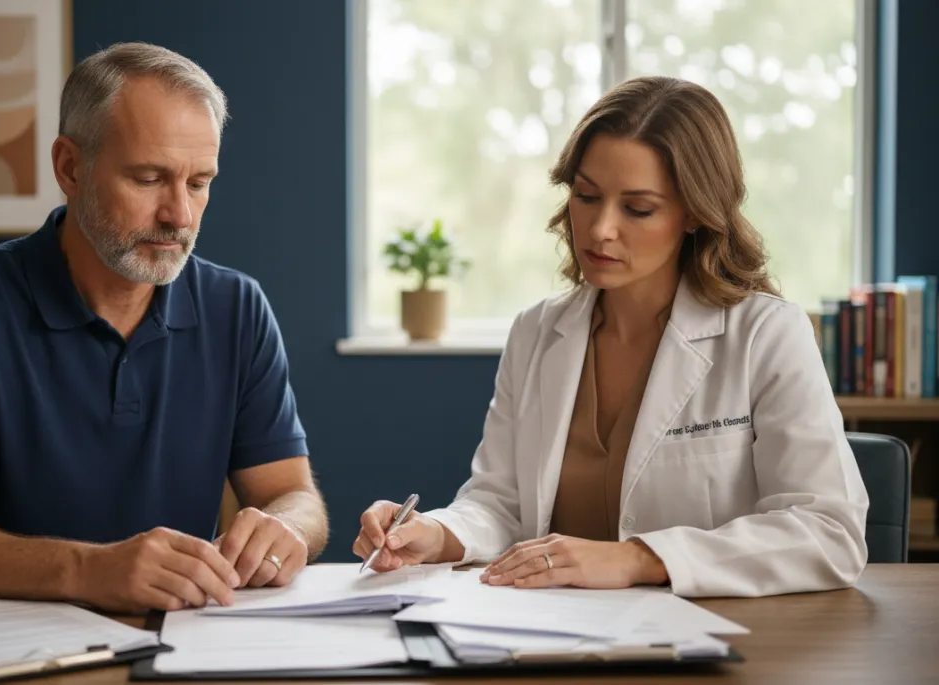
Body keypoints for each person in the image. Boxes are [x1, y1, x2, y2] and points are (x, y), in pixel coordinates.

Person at [353, 76, 869, 598]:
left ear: (694, 212)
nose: (600, 229)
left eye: (637, 208)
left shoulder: (766, 333)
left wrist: (638, 559)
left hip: (715, 643)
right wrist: (437, 533)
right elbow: (500, 502)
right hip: (554, 642)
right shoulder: (536, 332)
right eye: (586, 196)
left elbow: (829, 532)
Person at [0, 42, 328, 613]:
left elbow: (292, 493)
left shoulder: (238, 307)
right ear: (69, 167)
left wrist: (288, 529)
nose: (179, 215)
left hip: (180, 642)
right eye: (149, 178)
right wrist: (89, 569)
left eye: (199, 182)